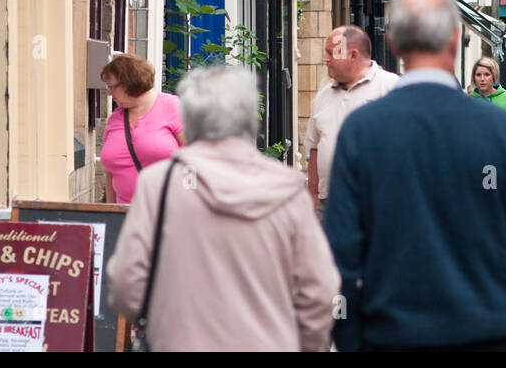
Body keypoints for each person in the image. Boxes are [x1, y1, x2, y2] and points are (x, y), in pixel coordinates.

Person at [323, 0, 506, 351]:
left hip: (391, 333)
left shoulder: (362, 130)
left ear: (392, 43)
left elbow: (341, 253)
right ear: (455, 39)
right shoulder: (496, 129)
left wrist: (345, 335)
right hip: (484, 332)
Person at [106, 65, 339, 351]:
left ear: (189, 121)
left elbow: (126, 282)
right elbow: (319, 290)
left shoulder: (160, 185)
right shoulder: (287, 189)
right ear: (250, 122)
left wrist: (161, 326)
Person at [305, 26, 399, 216]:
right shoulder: (323, 96)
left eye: (331, 53)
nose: (325, 59)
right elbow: (314, 148)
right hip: (329, 204)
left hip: (376, 202)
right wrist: (313, 197)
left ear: (353, 55)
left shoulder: (392, 87)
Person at [100, 54, 184, 204]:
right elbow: (111, 173)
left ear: (129, 82)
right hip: (126, 216)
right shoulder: (115, 118)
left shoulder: (173, 107)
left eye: (112, 87)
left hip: (168, 215)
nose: (109, 93)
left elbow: (195, 158)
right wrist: (109, 214)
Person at [469, 56, 506, 135]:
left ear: (494, 76)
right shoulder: (469, 101)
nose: (482, 79)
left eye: (487, 74)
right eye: (478, 75)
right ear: (474, 78)